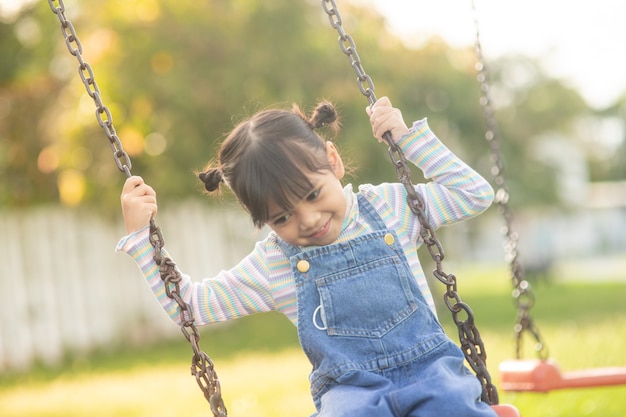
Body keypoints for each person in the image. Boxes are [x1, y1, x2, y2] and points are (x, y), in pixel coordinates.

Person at [118, 96, 497, 417]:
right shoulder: (273, 263)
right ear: (261, 219)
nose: (309, 220)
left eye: (313, 195)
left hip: (432, 372)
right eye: (282, 217)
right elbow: (193, 306)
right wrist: (142, 239)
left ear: (333, 161)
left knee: (454, 403)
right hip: (350, 393)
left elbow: (474, 194)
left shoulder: (388, 208)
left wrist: (408, 140)